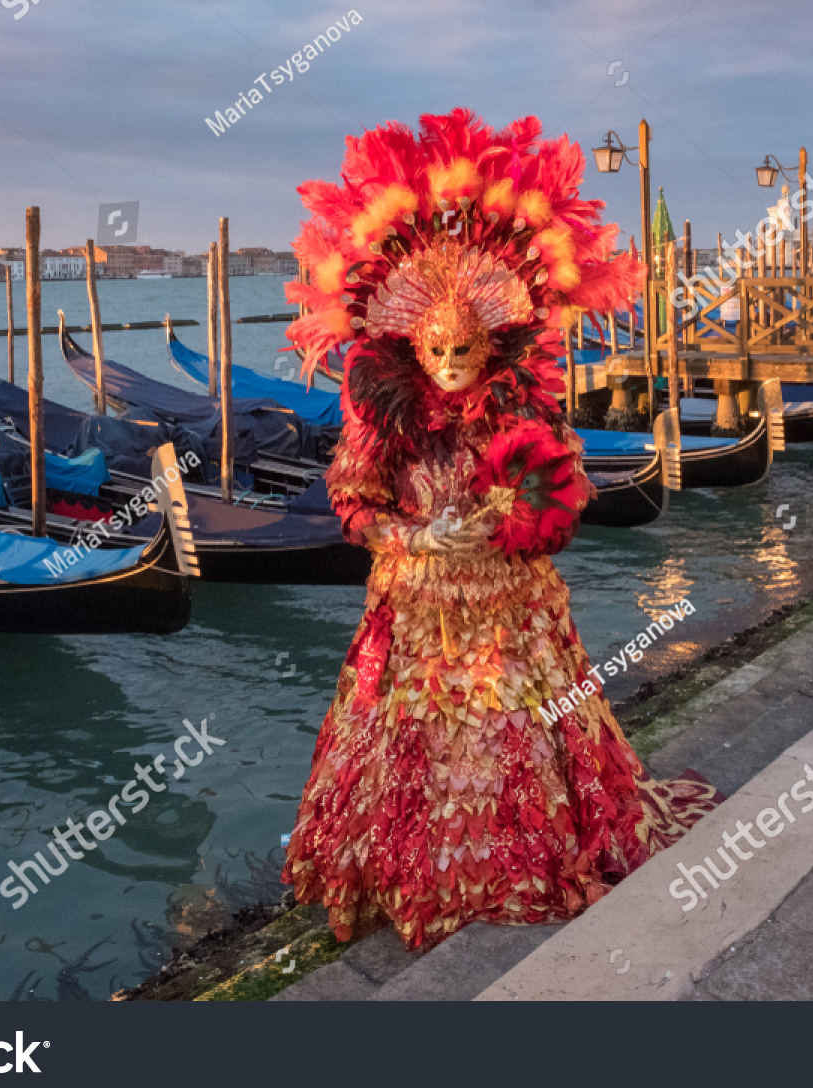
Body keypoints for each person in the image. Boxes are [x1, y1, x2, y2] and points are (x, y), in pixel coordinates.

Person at [282, 108, 720, 949]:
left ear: (491, 344)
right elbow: (351, 501)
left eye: (464, 350)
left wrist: (518, 523)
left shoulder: (520, 408)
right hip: (414, 608)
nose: (448, 364)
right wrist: (411, 538)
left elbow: (565, 492)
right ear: (411, 343)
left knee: (520, 728)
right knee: (411, 733)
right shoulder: (384, 413)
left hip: (512, 607)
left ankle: (515, 862)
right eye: (435, 349)